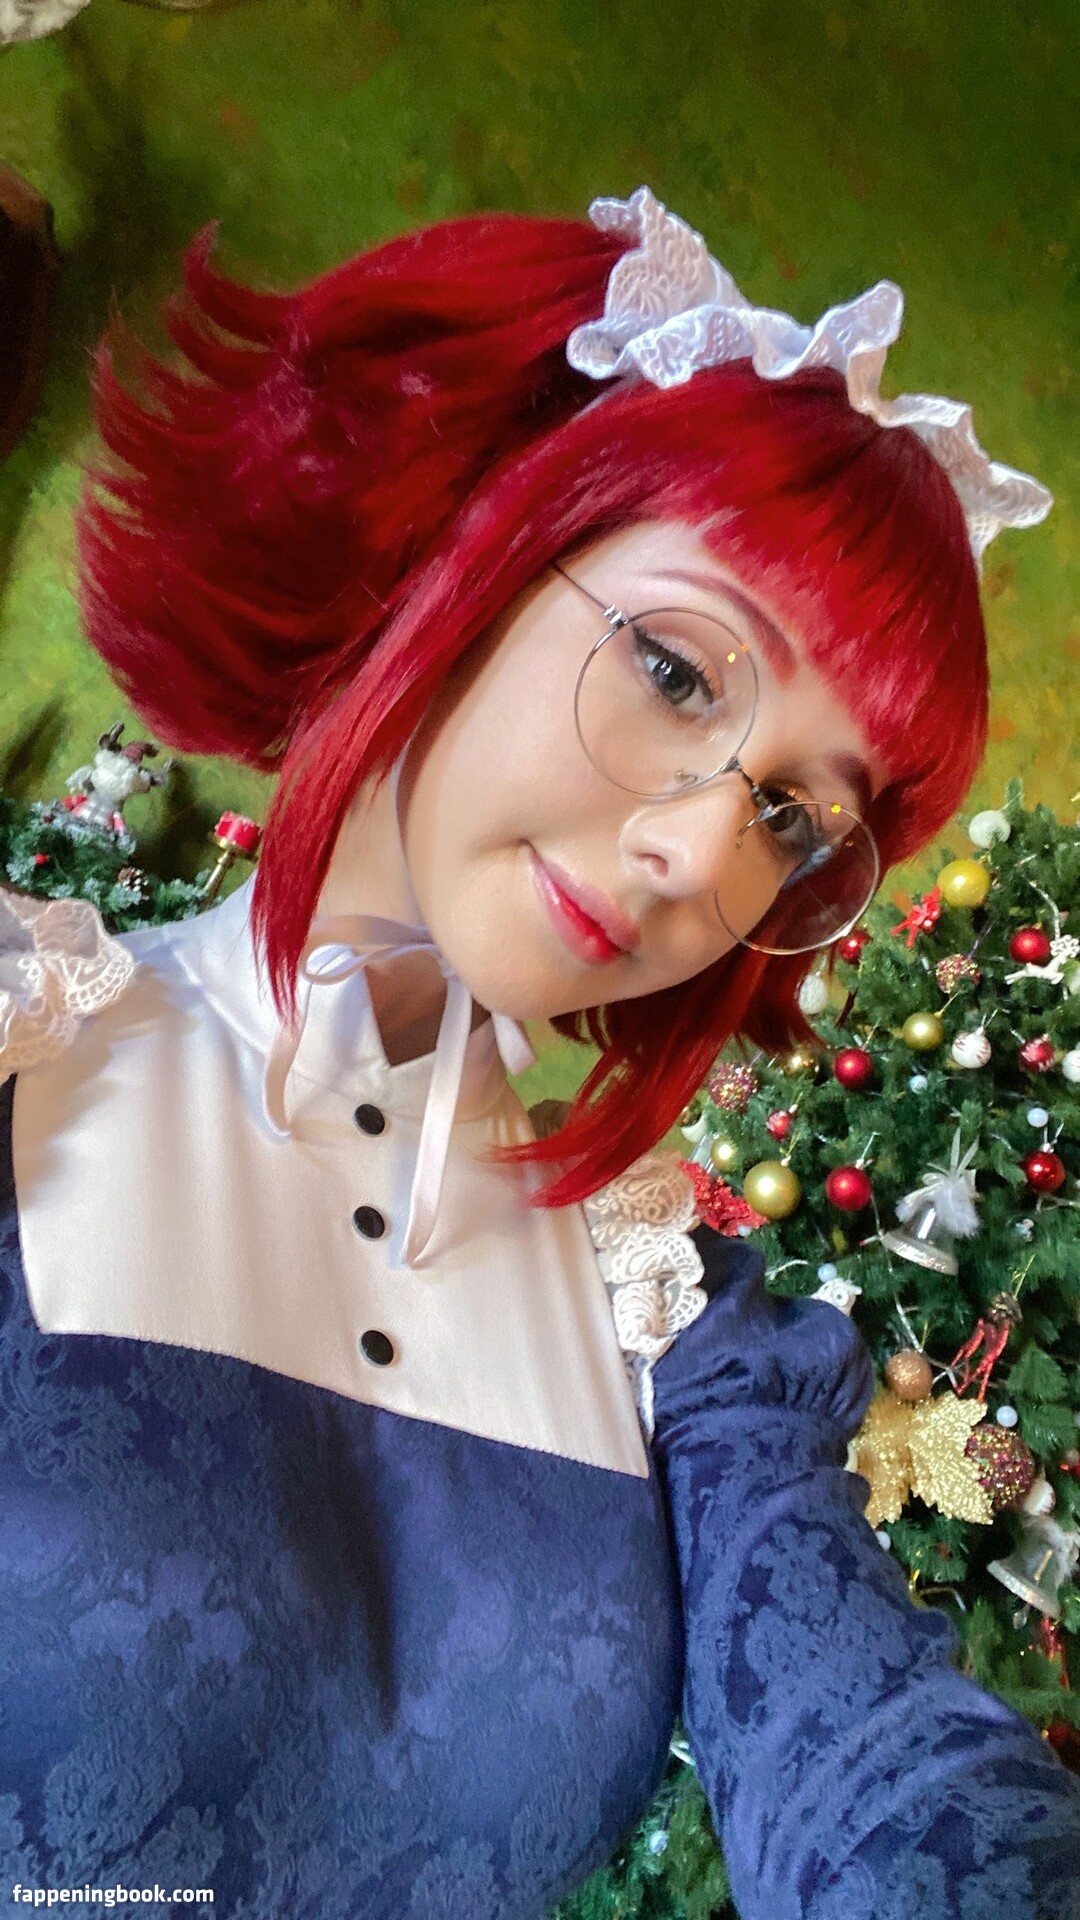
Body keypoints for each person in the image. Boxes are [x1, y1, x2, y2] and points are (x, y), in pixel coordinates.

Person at [0, 186, 1077, 1920]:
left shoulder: (678, 1322)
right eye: (678, 672)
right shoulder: (22, 1043)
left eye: (792, 823)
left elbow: (884, 1773)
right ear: (474, 546)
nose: (700, 856)